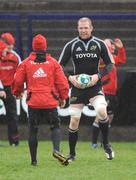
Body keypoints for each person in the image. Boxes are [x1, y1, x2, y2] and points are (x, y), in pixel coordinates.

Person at [59, 17, 115, 161]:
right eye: (81, 28)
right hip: (78, 88)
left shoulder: (99, 44)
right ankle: (72, 154)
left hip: (95, 86)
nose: (83, 30)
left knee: (102, 111)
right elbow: (60, 66)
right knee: (74, 121)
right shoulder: (71, 45)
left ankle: (107, 145)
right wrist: (71, 78)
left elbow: (110, 64)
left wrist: (98, 76)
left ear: (91, 28)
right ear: (77, 28)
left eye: (86, 28)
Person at [12, 34, 69, 166]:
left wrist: (17, 92)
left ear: (33, 47)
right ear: (45, 46)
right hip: (50, 101)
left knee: (33, 129)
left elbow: (18, 80)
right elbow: (62, 82)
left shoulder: (25, 63)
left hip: (33, 102)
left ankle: (33, 161)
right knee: (55, 126)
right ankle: (56, 150)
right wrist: (63, 97)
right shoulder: (53, 63)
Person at [91, 38, 126, 148]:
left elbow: (122, 60)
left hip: (112, 92)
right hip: (103, 91)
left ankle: (103, 141)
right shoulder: (101, 58)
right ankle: (94, 142)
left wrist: (121, 49)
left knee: (109, 116)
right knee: (101, 115)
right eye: (112, 46)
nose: (114, 48)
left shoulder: (112, 58)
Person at [0, 32, 21, 146]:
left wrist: (19, 88)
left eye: (12, 44)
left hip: (9, 89)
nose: (11, 47)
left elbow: (20, 72)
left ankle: (14, 141)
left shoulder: (15, 57)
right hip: (1, 88)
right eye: (8, 44)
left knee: (12, 115)